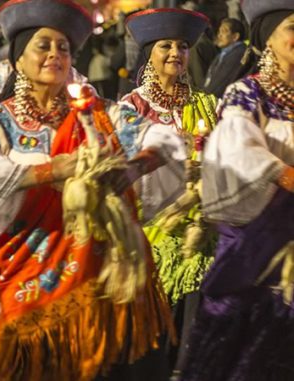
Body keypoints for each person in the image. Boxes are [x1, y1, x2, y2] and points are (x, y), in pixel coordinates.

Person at [0, 1, 174, 380]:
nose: (54, 54)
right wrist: (54, 170)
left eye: (63, 47)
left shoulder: (96, 112)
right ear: (18, 60)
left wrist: (133, 167)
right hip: (25, 264)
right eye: (43, 45)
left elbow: (163, 139)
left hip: (96, 266)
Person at [180, 1, 294, 380]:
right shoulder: (247, 93)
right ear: (268, 39)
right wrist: (285, 175)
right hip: (260, 248)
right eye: (293, 27)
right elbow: (237, 153)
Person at [119, 8, 219, 374]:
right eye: (165, 46)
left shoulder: (207, 104)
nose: (175, 53)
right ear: (149, 55)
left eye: (181, 46)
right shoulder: (132, 108)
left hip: (203, 223)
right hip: (152, 223)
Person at [203, 18, 247, 98]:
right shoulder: (224, 53)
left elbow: (221, 82)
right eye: (219, 31)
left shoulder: (238, 53)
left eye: (224, 31)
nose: (219, 35)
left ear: (235, 36)